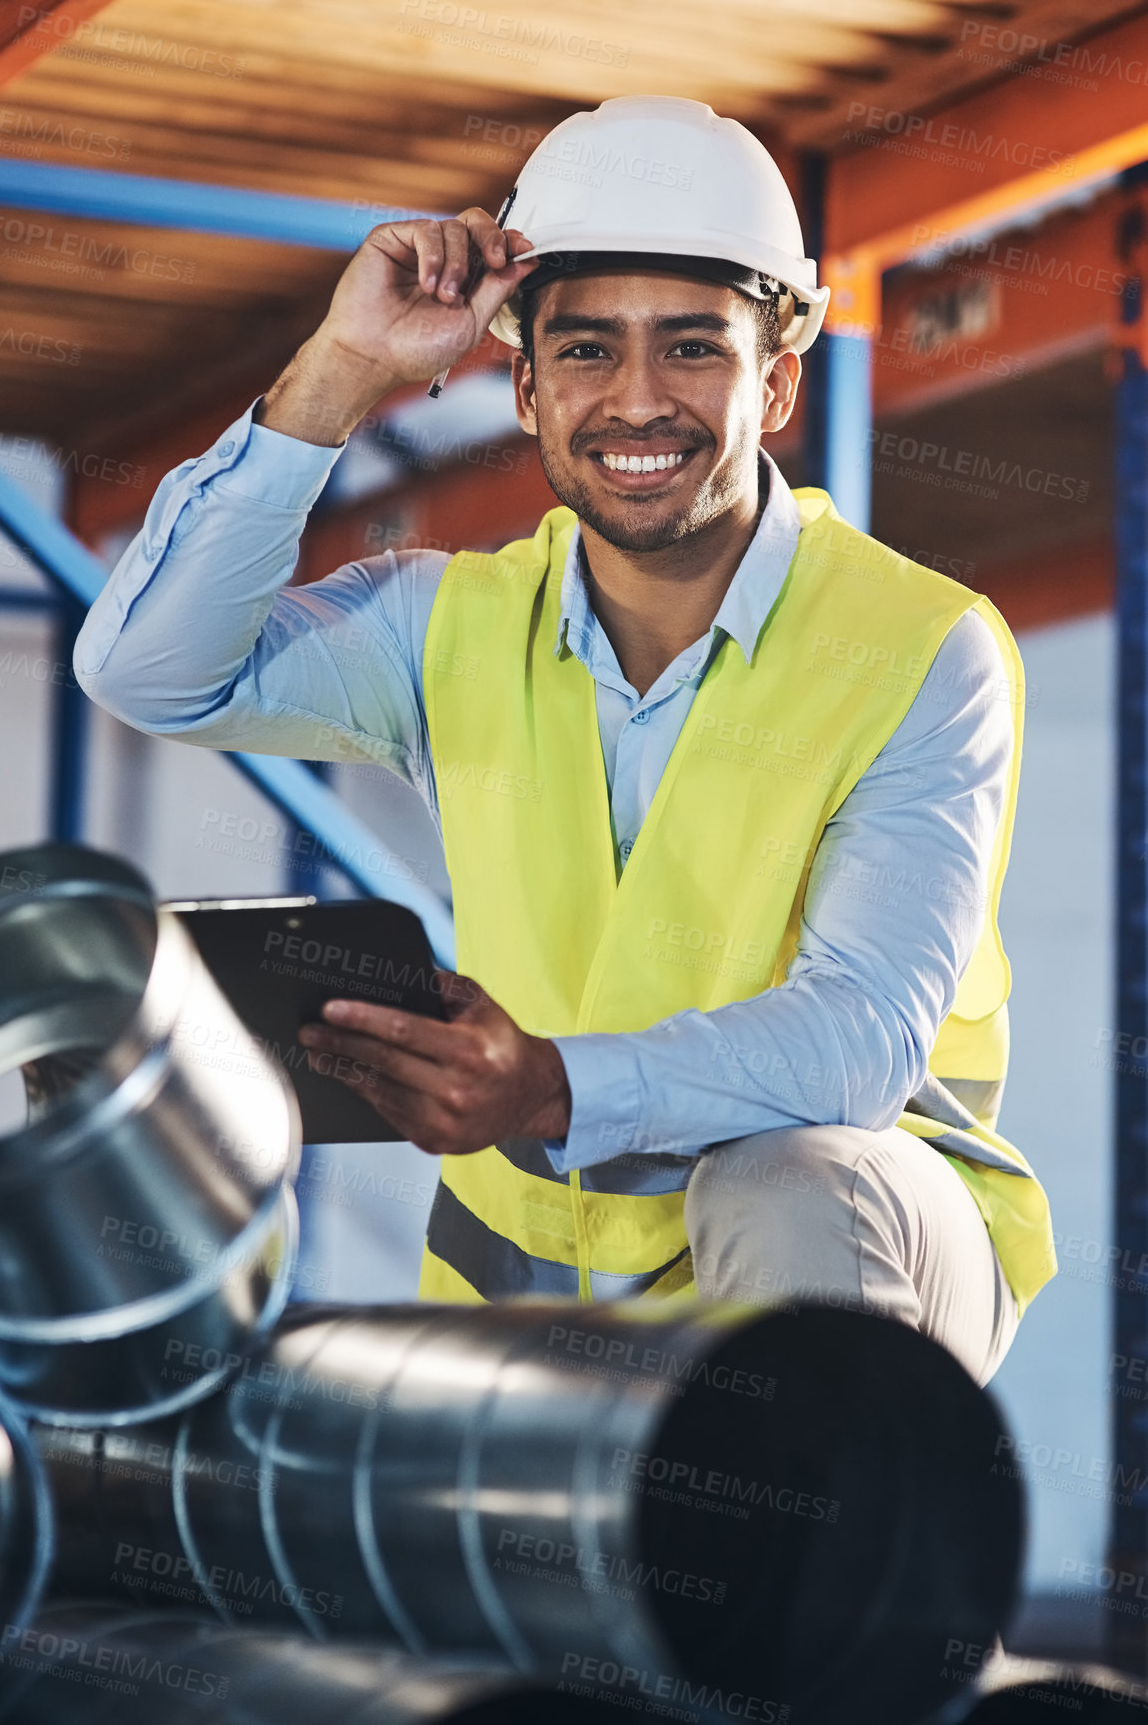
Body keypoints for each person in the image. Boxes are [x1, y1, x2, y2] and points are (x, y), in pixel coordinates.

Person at [74, 94, 1054, 1383]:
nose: (637, 403)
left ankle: (826, 1554)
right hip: (544, 1265)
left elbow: (859, 1038)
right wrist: (341, 369)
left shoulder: (923, 647)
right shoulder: (450, 625)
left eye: (694, 348)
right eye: (586, 352)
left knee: (794, 1185)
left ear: (777, 386)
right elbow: (150, 671)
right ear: (525, 386)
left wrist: (547, 1090)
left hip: (853, 1251)